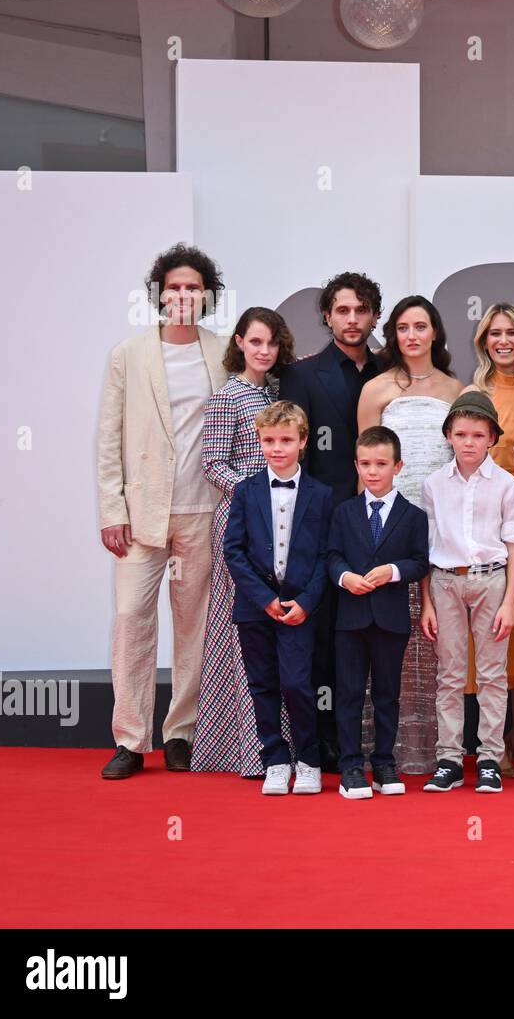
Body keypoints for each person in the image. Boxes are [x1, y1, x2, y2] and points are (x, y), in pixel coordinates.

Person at [97, 244, 228, 779]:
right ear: (158, 293)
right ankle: (130, 738)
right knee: (131, 619)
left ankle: (182, 733)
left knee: (194, 624)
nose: (183, 295)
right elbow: (109, 435)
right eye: (173, 287)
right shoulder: (128, 353)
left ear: (206, 296)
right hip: (142, 511)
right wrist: (112, 507)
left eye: (192, 287)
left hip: (205, 508)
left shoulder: (224, 353)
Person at [279, 271, 382, 771]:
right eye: (343, 310)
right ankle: (317, 750)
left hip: (380, 528)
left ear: (374, 316)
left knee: (372, 642)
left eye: (361, 310)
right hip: (321, 528)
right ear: (327, 316)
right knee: (321, 644)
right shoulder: (300, 375)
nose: (353, 319)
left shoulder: (390, 373)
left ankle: (372, 745)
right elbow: (294, 456)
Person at [356, 296, 463, 774]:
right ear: (394, 336)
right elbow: (364, 466)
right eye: (403, 327)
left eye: (421, 326)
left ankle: (437, 751)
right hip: (388, 524)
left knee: (432, 641)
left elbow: (462, 462)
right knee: (383, 639)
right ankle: (380, 752)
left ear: (436, 332)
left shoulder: (457, 390)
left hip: (439, 526)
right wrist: (366, 530)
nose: (413, 335)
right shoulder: (376, 389)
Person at [192, 307, 298, 775]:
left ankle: (284, 746)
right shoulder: (226, 398)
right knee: (244, 631)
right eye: (255, 342)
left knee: (281, 626)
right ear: (238, 343)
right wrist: (255, 494)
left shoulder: (279, 393)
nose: (263, 351)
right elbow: (212, 464)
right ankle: (246, 750)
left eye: (271, 344)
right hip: (240, 522)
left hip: (285, 521)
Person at [221, 402, 333, 795]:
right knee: (262, 685)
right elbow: (233, 550)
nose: (277, 448)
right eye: (269, 440)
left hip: (301, 608)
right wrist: (263, 598)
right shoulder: (245, 491)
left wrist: (306, 601)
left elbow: (327, 555)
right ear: (259, 441)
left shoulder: (321, 494)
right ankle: (274, 759)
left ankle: (308, 760)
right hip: (256, 608)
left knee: (298, 684)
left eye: (286, 440)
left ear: (303, 441)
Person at [419, 392, 514, 795]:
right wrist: (427, 601)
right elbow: (427, 546)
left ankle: (489, 760)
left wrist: (510, 601)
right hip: (445, 581)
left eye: (478, 435)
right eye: (460, 434)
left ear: (492, 438)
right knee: (449, 673)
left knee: (492, 674)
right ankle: (448, 758)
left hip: (491, 580)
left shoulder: (506, 485)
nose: (468, 442)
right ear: (448, 436)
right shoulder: (433, 484)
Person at [462, 302, 514, 776]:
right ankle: (489, 740)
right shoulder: (473, 393)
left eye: (511, 332)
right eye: (494, 333)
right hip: (487, 528)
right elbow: (460, 458)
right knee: (493, 634)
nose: (503, 341)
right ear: (484, 341)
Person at [326, 426, 430, 800]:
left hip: (391, 619)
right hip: (350, 619)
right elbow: (331, 556)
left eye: (381, 464)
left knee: (387, 694)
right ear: (356, 465)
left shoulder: (414, 516)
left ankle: (384, 762)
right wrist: (344, 577)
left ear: (398, 466)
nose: (373, 472)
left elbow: (420, 562)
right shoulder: (344, 512)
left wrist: (393, 571)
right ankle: (351, 765)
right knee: (350, 693)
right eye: (366, 464)